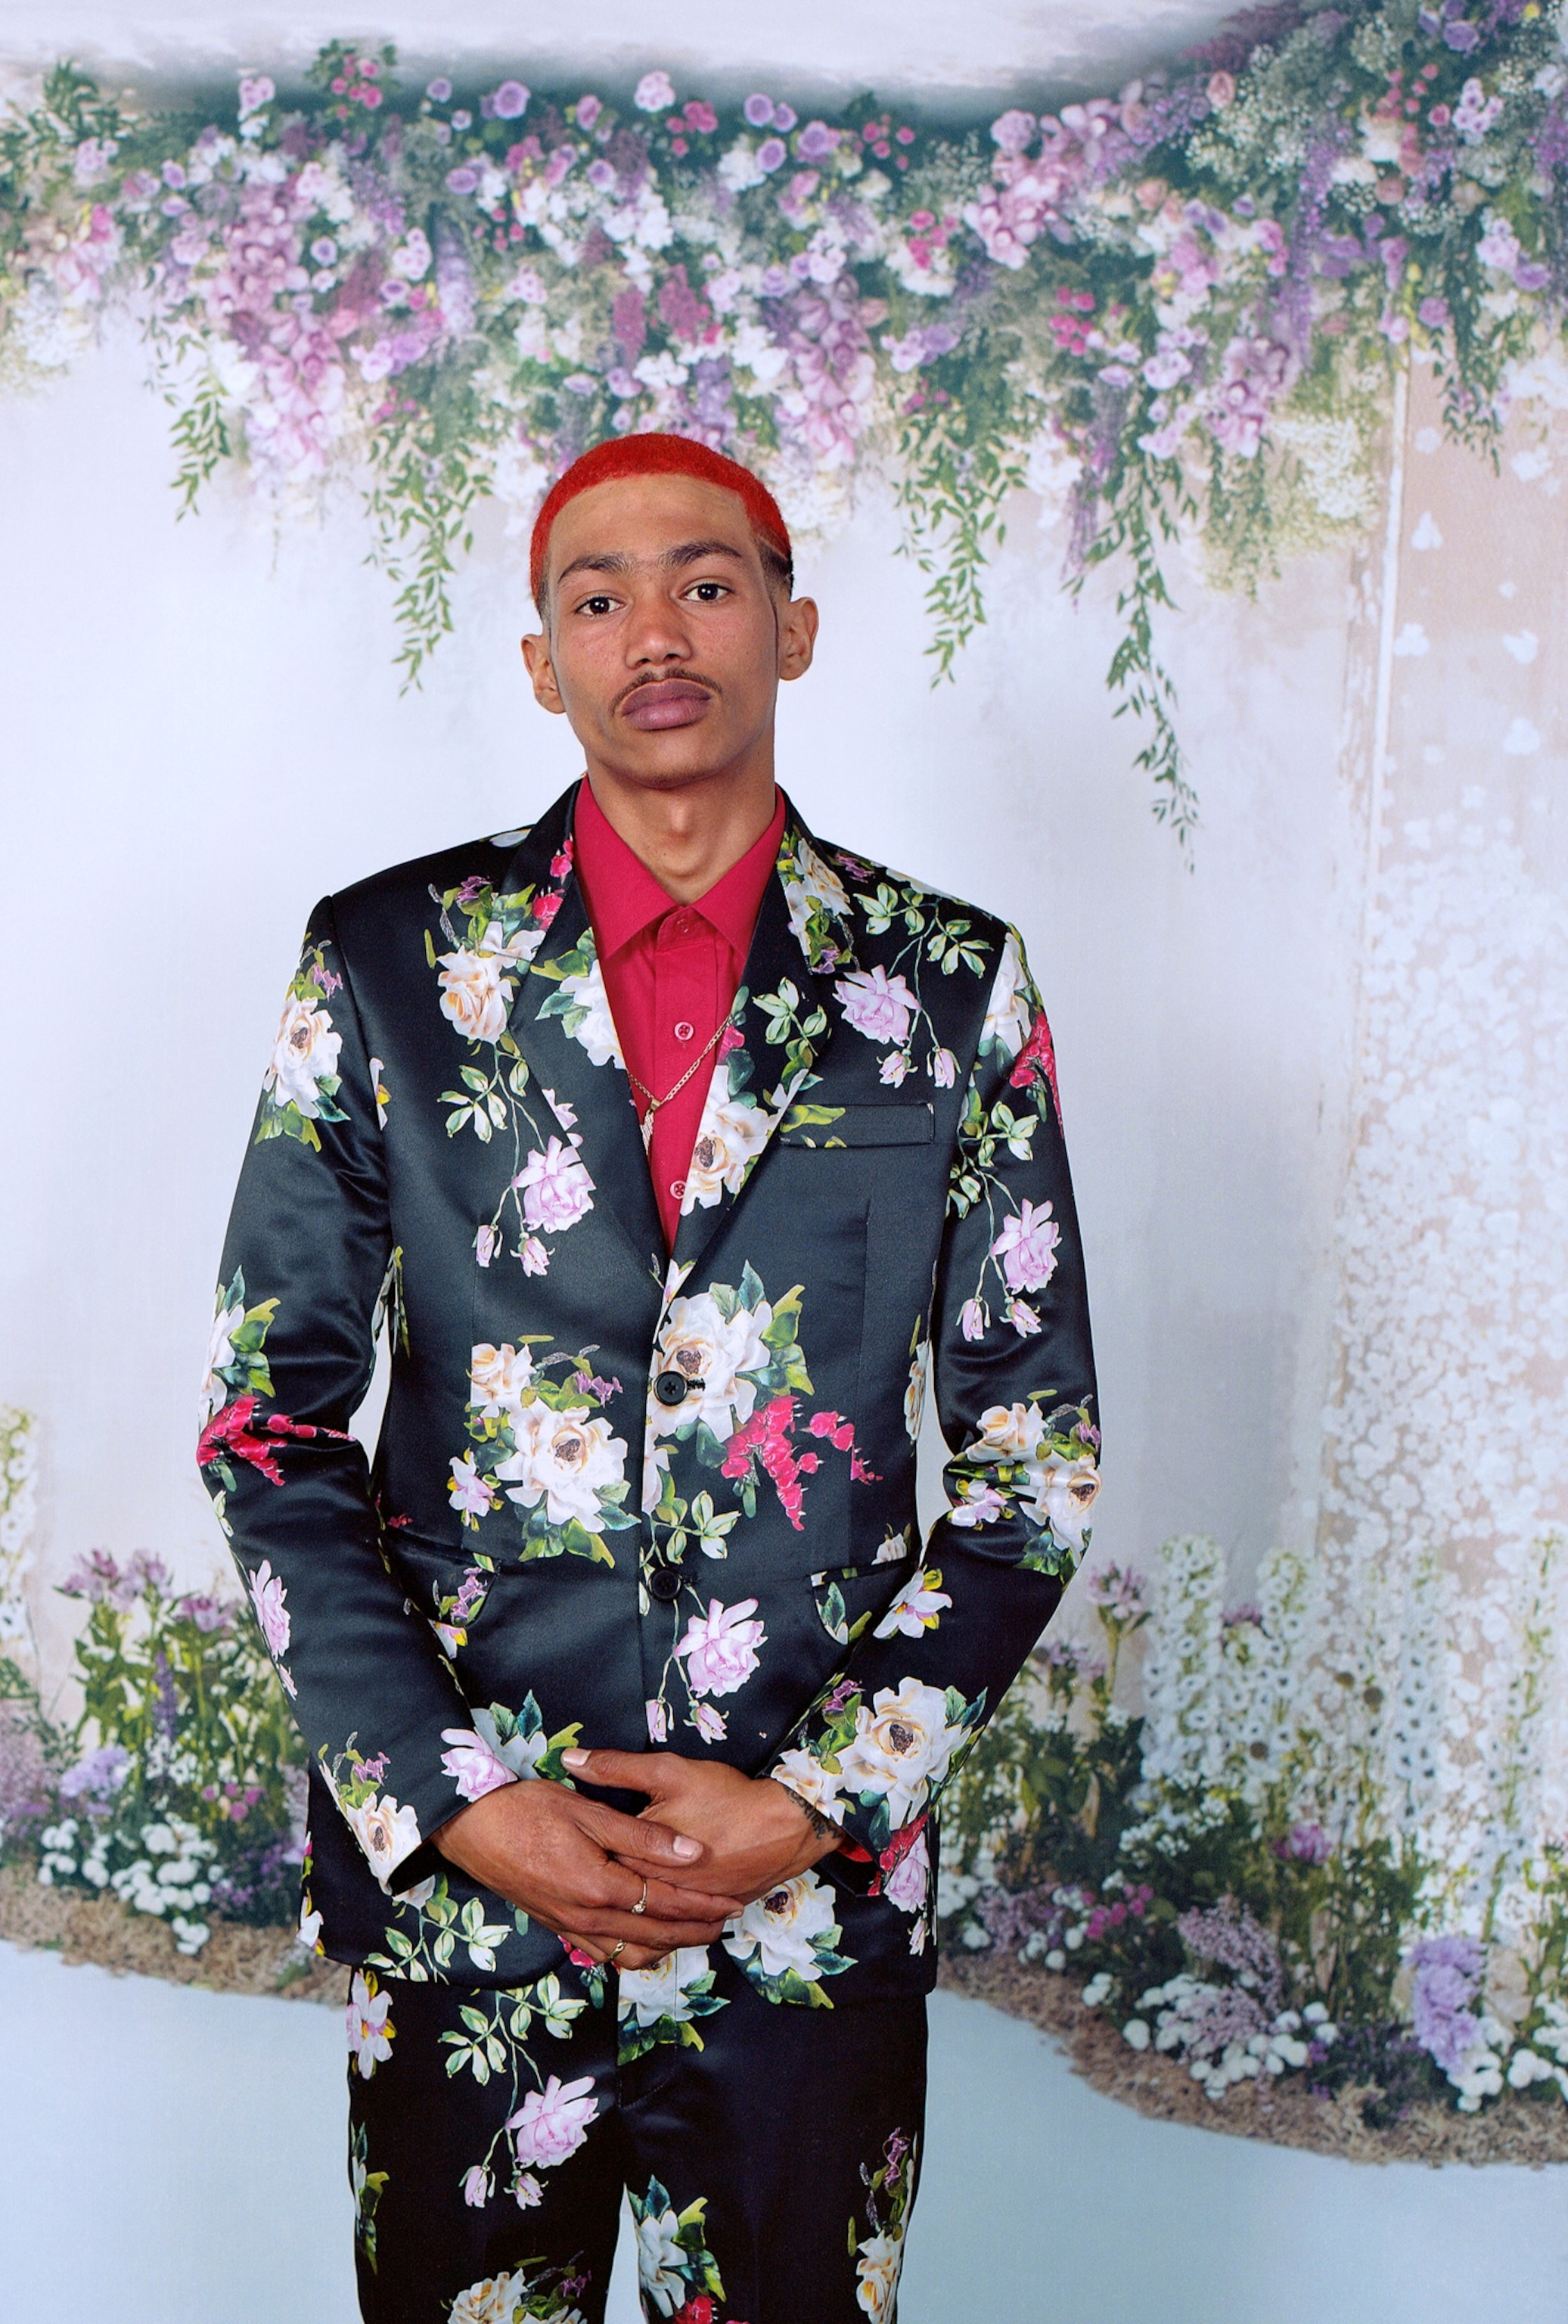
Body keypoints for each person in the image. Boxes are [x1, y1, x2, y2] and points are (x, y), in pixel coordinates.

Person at [200, 433, 1100, 2323]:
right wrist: (452, 1796)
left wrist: (828, 1796)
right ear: (544, 662)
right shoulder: (384, 963)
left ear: (794, 625)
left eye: (706, 580)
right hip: (471, 1888)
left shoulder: (945, 988)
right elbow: (271, 1424)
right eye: (595, 596)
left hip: (801, 1896)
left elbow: (1033, 1461)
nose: (654, 630)